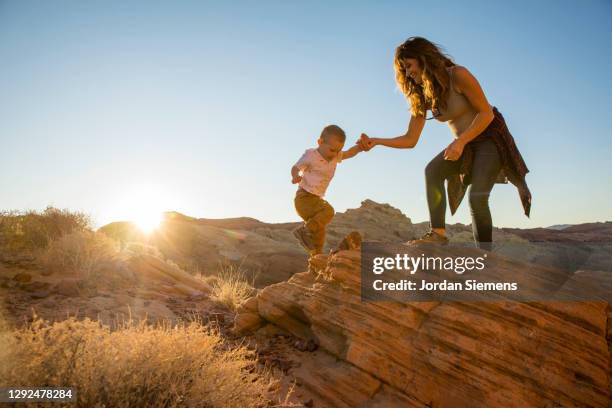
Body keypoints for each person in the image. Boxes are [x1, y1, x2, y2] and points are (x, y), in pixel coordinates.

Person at [358, 37, 531, 250]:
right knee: (433, 171)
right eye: (403, 70)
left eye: (409, 66)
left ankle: (486, 256)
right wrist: (377, 141)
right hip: (464, 144)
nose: (408, 73)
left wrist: (461, 141)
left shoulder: (458, 75)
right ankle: (437, 234)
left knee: (477, 197)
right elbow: (410, 139)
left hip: (489, 138)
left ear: (424, 59)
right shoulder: (422, 93)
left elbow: (486, 114)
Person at [291, 124, 364, 256]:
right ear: (320, 142)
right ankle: (304, 231)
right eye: (332, 150)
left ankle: (316, 263)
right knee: (328, 211)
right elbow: (295, 167)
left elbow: (349, 153)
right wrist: (295, 176)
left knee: (319, 236)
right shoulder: (311, 155)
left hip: (316, 200)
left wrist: (360, 147)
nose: (335, 154)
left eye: (338, 150)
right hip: (304, 199)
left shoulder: (335, 156)